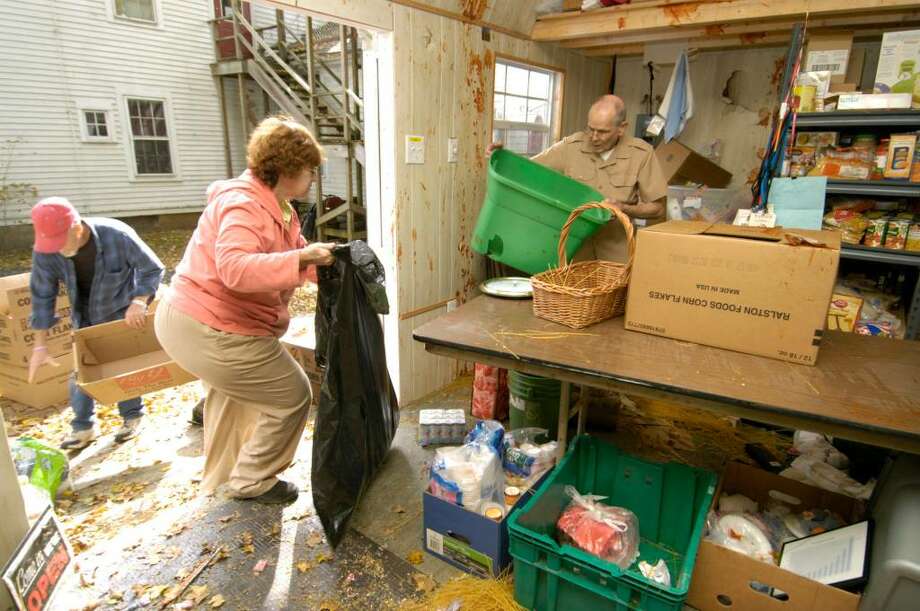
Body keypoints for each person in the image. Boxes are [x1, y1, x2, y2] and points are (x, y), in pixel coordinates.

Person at [154, 116, 335, 505]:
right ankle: (252, 480)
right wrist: (301, 256)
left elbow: (286, 257)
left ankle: (227, 474)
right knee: (291, 395)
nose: (312, 179)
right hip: (207, 325)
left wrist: (330, 270)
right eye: (309, 170)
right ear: (287, 169)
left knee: (234, 397)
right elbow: (235, 268)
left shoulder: (278, 206)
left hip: (201, 320)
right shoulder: (244, 204)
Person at [28, 198, 165, 450]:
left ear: (76, 227)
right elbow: (41, 296)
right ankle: (83, 427)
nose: (56, 249)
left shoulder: (117, 235)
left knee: (122, 365)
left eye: (60, 241)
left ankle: (132, 416)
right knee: (81, 371)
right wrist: (39, 346)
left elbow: (151, 268)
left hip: (120, 311)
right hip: (83, 314)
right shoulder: (46, 251)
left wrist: (139, 301)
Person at [489, 94, 668, 263]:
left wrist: (624, 208)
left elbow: (658, 209)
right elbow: (528, 169)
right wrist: (502, 154)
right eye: (590, 129)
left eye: (603, 132)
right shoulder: (571, 146)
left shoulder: (641, 154)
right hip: (575, 249)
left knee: (618, 296)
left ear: (621, 128)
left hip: (616, 253)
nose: (594, 137)